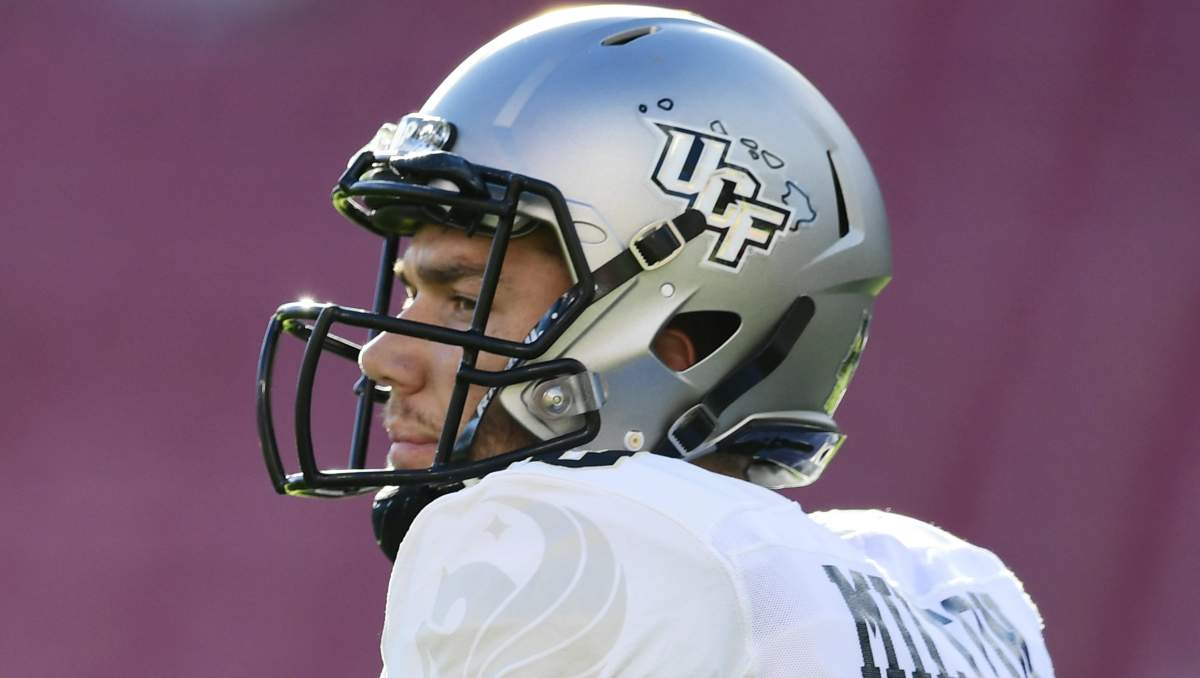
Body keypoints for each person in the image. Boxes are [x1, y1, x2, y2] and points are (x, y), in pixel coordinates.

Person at [255, 5, 1055, 677]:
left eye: (465, 300)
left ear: (681, 339)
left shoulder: (565, 545)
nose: (382, 359)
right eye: (411, 292)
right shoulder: (954, 596)